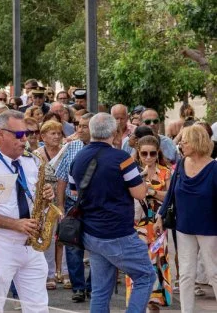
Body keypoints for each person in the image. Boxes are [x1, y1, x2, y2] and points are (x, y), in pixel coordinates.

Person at [0, 110, 55, 313]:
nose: (24, 139)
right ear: (1, 135)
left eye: (26, 133)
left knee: (38, 307)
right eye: (18, 135)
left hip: (30, 244)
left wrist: (46, 195)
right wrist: (15, 224)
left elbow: (34, 196)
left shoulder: (31, 161)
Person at [69, 113, 154, 312]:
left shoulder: (78, 158)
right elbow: (139, 192)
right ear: (114, 132)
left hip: (91, 232)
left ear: (91, 131)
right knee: (146, 276)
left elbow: (74, 191)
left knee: (100, 290)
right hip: (118, 232)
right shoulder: (122, 158)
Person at [156, 125, 217, 313]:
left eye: (185, 140)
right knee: (186, 274)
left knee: (214, 273)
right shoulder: (181, 164)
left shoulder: (214, 168)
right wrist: (160, 215)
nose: (181, 143)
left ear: (198, 142)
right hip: (183, 226)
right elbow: (171, 193)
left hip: (210, 228)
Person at [128, 135, 172, 311]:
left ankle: (154, 304)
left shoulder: (165, 172)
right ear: (138, 153)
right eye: (144, 153)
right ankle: (141, 304)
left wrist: (151, 191)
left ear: (157, 153)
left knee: (158, 262)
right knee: (139, 263)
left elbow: (170, 196)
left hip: (158, 223)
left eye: (152, 153)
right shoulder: (134, 173)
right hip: (138, 225)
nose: (148, 157)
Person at [55, 113, 94, 301]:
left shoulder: (105, 148)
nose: (79, 129)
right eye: (78, 125)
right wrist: (60, 206)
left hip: (95, 205)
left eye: (85, 126)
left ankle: (93, 286)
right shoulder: (71, 147)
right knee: (72, 245)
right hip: (73, 204)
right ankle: (78, 287)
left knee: (97, 247)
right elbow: (62, 177)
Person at [34, 119, 66, 290]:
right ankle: (49, 274)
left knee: (66, 236)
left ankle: (65, 272)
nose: (56, 136)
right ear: (43, 136)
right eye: (52, 133)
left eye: (59, 133)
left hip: (64, 199)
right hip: (46, 201)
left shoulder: (65, 152)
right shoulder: (36, 155)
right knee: (48, 237)